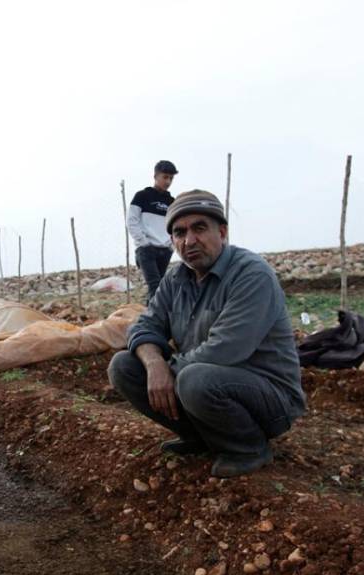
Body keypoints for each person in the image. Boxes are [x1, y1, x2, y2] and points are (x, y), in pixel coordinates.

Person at [107, 190, 306, 478]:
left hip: (268, 397)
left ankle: (248, 447)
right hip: (206, 384)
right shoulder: (176, 278)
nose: (189, 241)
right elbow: (144, 326)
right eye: (179, 232)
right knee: (124, 366)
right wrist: (154, 364)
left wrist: (167, 370)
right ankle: (200, 437)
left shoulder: (251, 274)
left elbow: (225, 350)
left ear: (222, 232)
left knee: (195, 379)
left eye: (199, 228)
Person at [127, 160, 178, 300]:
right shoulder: (142, 196)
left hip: (165, 249)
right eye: (165, 177)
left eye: (171, 178)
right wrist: (143, 242)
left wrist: (170, 245)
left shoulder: (172, 202)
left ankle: (150, 316)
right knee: (155, 286)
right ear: (156, 176)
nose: (168, 181)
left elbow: (175, 226)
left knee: (160, 286)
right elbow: (132, 221)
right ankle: (154, 319)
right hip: (146, 249)